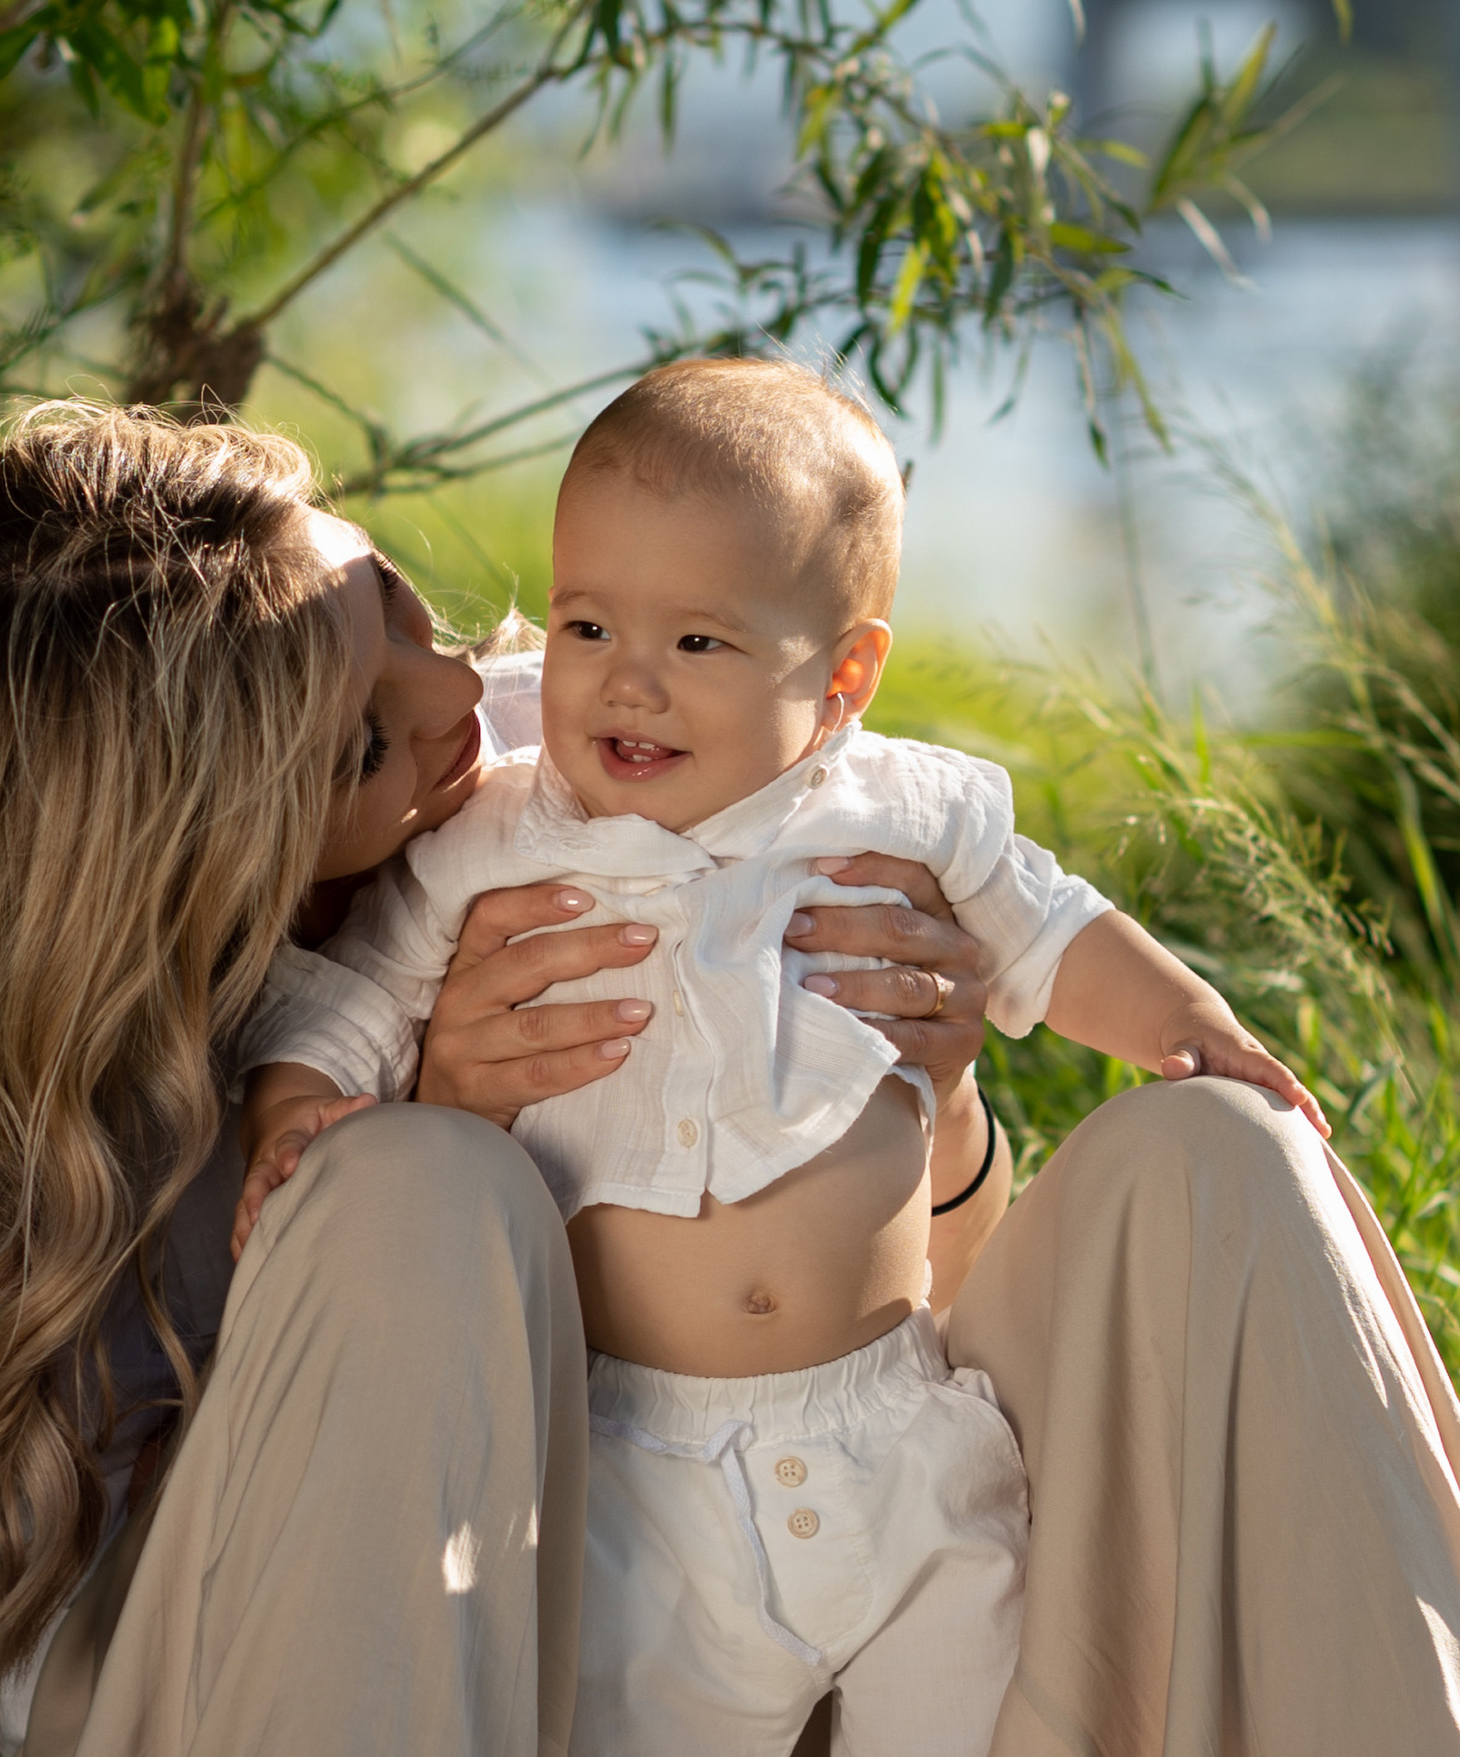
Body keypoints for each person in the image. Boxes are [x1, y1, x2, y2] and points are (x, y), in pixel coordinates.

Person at [0, 400, 1460, 1757]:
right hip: (420, 1679)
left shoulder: (568, 751)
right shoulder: (68, 1124)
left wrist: (936, 1089)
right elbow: (181, 1628)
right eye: (362, 736)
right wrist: (415, 1124)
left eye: (396, 604)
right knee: (417, 1198)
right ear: (199, 860)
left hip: (849, 1553)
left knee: (1217, 1161)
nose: (463, 698)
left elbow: (889, 1298)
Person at [229, 359, 1340, 1757]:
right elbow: (352, 1004)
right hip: (630, 1461)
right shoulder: (496, 836)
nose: (627, 679)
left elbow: (1058, 932)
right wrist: (299, 1114)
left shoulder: (900, 810)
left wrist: (1190, 1023)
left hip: (896, 1435)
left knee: (983, 1716)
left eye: (699, 644)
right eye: (585, 621)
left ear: (845, 675)